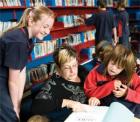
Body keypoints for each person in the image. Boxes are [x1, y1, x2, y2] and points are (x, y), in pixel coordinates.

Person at [0, 6, 55, 122]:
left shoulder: (29, 40)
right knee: (10, 117)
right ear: (31, 21)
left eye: (49, 28)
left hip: (7, 80)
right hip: (3, 80)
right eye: (45, 26)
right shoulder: (18, 40)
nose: (47, 32)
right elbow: (13, 81)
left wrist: (18, 104)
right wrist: (15, 108)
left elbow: (21, 72)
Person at [31, 45, 90, 121]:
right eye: (66, 67)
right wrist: (67, 102)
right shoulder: (54, 82)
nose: (72, 71)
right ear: (59, 69)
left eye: (74, 65)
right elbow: (36, 108)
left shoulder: (82, 71)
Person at [84, 44, 140, 118]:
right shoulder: (95, 72)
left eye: (119, 67)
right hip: (105, 110)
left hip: (129, 110)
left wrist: (127, 93)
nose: (113, 68)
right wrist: (110, 86)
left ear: (124, 68)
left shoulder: (131, 75)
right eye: (112, 63)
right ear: (108, 59)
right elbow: (89, 93)